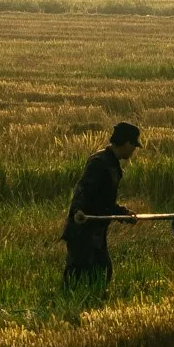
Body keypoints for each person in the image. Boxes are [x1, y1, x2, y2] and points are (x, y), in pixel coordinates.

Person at [62, 122, 141, 287]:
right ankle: (71, 307)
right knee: (78, 275)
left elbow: (105, 202)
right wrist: (78, 211)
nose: (134, 150)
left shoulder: (112, 164)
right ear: (127, 143)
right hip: (83, 228)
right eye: (134, 145)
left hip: (96, 228)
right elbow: (82, 189)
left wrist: (123, 214)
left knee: (103, 272)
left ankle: (93, 304)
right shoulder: (99, 162)